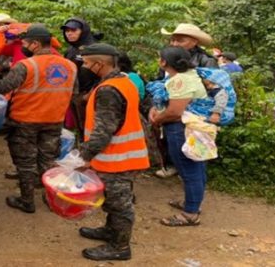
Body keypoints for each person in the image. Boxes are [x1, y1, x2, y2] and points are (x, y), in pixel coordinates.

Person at [0, 24, 77, 213]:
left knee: (25, 162)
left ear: (36, 44)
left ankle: (27, 201)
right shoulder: (70, 66)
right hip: (54, 119)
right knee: (47, 160)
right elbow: (74, 92)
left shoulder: (26, 65)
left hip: (26, 120)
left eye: (26, 43)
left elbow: (3, 86)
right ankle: (50, 198)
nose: (24, 46)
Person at [77, 43, 149, 261]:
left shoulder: (109, 90)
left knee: (119, 204)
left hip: (117, 157)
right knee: (112, 199)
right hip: (122, 154)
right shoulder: (123, 81)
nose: (86, 67)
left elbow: (104, 130)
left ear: (99, 64)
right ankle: (111, 231)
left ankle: (120, 247)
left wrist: (85, 155)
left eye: (88, 63)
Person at [149, 46, 207, 227]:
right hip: (197, 126)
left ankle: (190, 213)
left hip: (181, 128)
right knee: (198, 166)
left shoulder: (178, 80)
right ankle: (193, 203)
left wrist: (157, 119)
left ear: (164, 62)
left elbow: (175, 111)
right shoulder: (191, 75)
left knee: (188, 169)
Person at [155, 23, 217, 179]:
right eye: (173, 40)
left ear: (194, 41)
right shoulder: (168, 57)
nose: (175, 44)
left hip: (193, 112)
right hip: (171, 107)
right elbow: (160, 81)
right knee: (171, 140)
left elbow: (213, 88)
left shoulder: (206, 60)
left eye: (180, 40)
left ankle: (193, 177)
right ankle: (175, 166)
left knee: (195, 142)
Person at [61, 17, 104, 134]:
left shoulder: (94, 48)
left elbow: (104, 72)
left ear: (83, 31)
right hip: (74, 94)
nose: (69, 33)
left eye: (73, 30)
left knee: (91, 127)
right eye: (67, 31)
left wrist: (91, 93)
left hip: (90, 94)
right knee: (80, 127)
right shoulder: (70, 50)